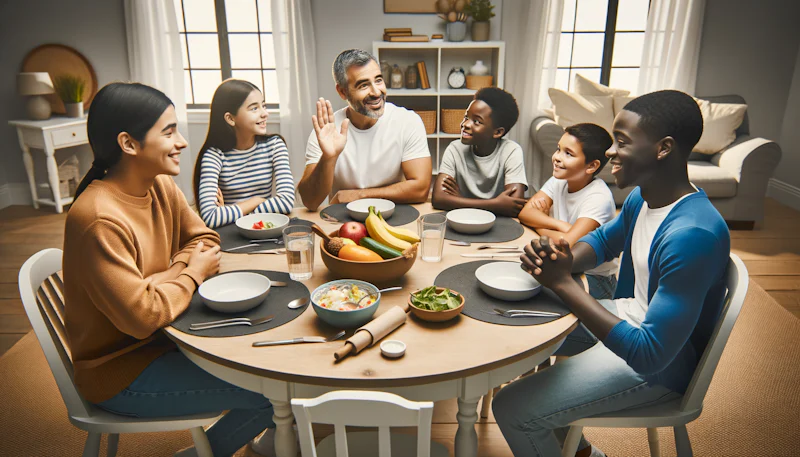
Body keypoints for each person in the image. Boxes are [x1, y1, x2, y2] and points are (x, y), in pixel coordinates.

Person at [492, 90, 731, 457]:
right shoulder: (643, 197)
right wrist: (562, 258)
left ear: (663, 148)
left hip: (658, 368)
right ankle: (581, 452)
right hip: (628, 321)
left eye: (621, 142)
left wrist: (562, 284)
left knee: (511, 408)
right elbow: (602, 243)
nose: (609, 151)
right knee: (520, 329)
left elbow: (650, 354)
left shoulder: (691, 235)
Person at [63, 82, 278, 457]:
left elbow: (207, 239)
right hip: (121, 371)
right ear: (129, 144)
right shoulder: (98, 218)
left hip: (168, 339)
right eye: (169, 131)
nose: (182, 142)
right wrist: (191, 273)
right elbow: (143, 316)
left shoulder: (160, 184)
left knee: (266, 357)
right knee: (271, 393)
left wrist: (166, 275)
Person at [297, 49, 432, 210]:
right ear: (342, 91)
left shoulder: (408, 121)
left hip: (394, 217)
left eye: (379, 80)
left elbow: (421, 189)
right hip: (343, 221)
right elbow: (310, 202)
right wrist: (328, 157)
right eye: (363, 85)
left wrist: (358, 195)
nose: (376, 92)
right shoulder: (327, 132)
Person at [518, 123, 618, 302]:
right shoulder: (560, 179)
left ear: (591, 166)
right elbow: (525, 213)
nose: (556, 157)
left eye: (568, 154)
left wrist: (541, 223)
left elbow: (568, 248)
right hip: (563, 267)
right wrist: (558, 224)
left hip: (594, 278)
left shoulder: (598, 198)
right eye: (558, 149)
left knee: (533, 296)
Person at [193, 79, 295, 229]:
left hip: (264, 229)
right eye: (254, 108)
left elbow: (286, 202)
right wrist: (258, 200)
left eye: (263, 105)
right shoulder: (214, 155)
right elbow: (210, 217)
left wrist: (228, 213)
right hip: (230, 235)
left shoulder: (275, 145)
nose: (265, 114)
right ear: (230, 118)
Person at [431, 87, 528, 217]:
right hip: (462, 219)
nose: (465, 124)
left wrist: (458, 200)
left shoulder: (511, 151)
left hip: (498, 224)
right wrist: (496, 204)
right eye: (466, 117)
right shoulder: (455, 149)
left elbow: (514, 206)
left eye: (476, 121)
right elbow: (438, 199)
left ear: (497, 132)